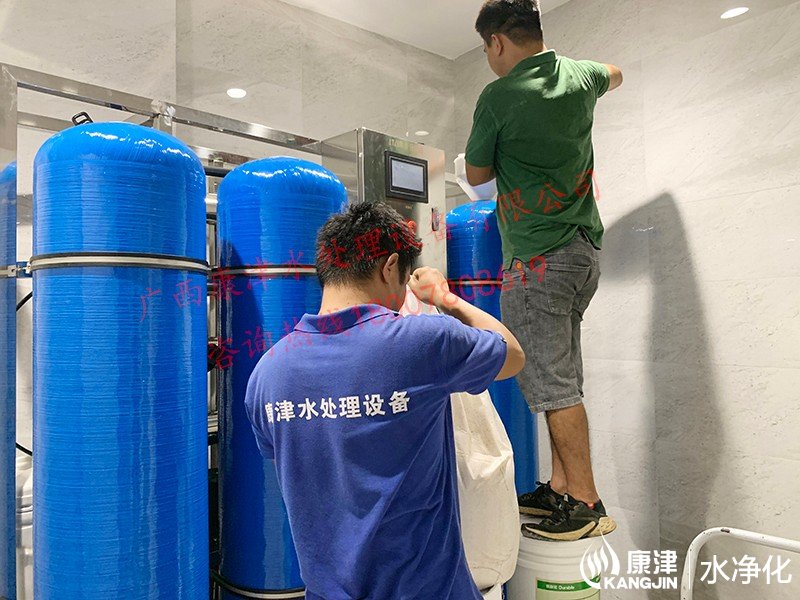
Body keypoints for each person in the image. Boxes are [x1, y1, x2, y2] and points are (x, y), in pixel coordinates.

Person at [245, 201, 525, 600]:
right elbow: (512, 355)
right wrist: (446, 299)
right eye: (404, 278)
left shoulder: (267, 374)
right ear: (390, 266)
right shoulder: (423, 342)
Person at [464, 0, 624, 542]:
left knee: (553, 386)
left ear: (496, 42)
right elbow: (616, 73)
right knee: (564, 377)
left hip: (536, 259)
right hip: (582, 253)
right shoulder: (580, 76)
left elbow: (476, 173)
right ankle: (560, 485)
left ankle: (585, 500)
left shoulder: (499, 95)